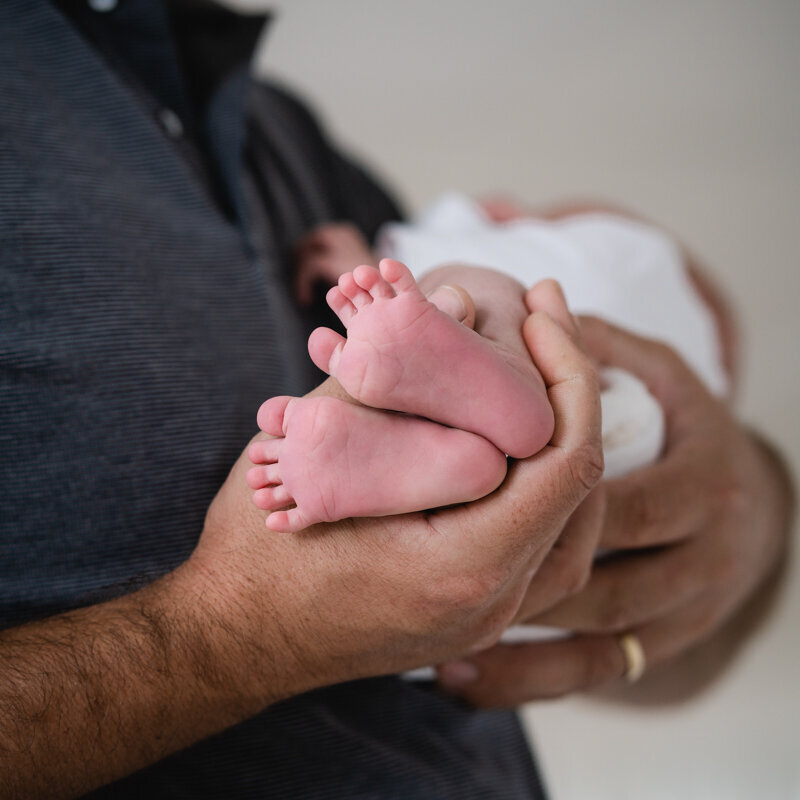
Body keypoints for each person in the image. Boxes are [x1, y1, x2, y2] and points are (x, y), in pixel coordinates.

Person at [0, 3, 793, 800]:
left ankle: (426, 437)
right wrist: (237, 634)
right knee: (501, 329)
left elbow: (653, 640)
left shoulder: (281, 134)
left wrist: (752, 514)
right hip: (582, 457)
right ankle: (451, 432)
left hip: (543, 513)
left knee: (477, 297)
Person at [247, 197, 726, 532]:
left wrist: (362, 259)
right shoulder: (704, 386)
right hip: (627, 437)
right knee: (482, 350)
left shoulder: (504, 226)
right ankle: (452, 448)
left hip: (546, 382)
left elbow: (459, 226)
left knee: (479, 293)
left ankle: (484, 390)